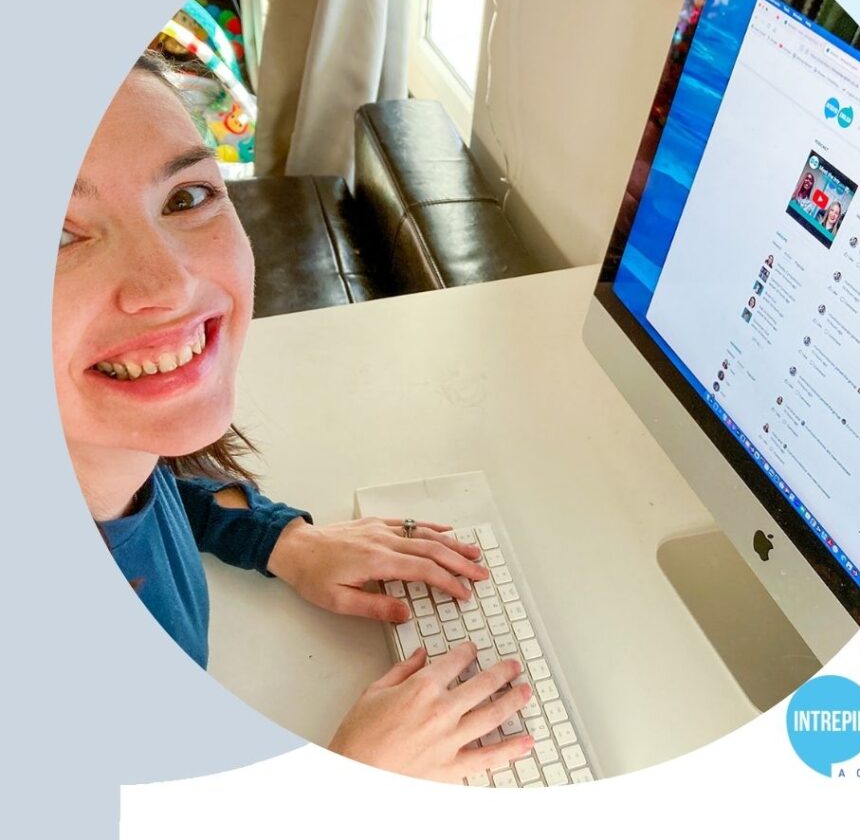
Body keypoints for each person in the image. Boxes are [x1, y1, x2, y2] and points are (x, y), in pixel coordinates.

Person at [53, 54, 534, 784]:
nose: (169, 284)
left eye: (185, 197)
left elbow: (152, 484)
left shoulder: (102, 456)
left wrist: (281, 540)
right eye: (56, 238)